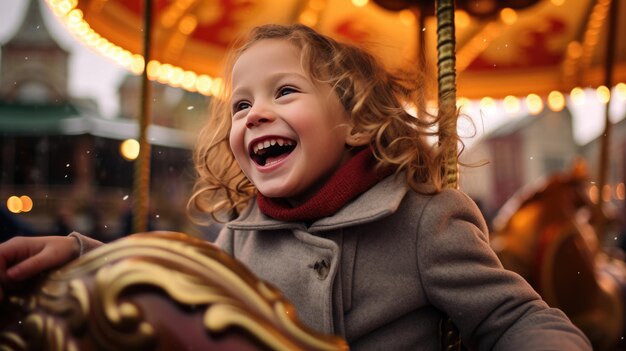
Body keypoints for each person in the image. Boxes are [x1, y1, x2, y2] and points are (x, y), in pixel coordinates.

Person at [0, 24, 592, 350]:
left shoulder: (424, 221)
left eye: (284, 92)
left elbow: (512, 319)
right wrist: (80, 257)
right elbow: (176, 284)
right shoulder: (241, 235)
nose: (254, 114)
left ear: (357, 120)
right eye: (239, 105)